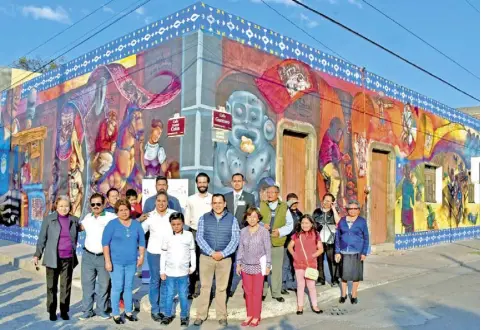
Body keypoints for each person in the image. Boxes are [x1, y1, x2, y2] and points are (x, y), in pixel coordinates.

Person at [193, 194, 240, 327]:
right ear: (211, 204)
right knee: (205, 287)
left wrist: (223, 253)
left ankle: (221, 315)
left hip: (225, 259)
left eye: (220, 202)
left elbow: (235, 239)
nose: (217, 205)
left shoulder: (232, 219)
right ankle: (201, 315)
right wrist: (211, 252)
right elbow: (199, 238)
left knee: (221, 288)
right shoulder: (204, 218)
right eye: (215, 203)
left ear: (225, 204)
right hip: (206, 257)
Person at [33, 195, 80, 321]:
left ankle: (64, 311)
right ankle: (52, 311)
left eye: (66, 206)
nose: (64, 208)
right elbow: (42, 238)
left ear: (70, 207)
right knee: (51, 286)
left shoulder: (74, 220)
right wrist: (37, 254)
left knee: (66, 286)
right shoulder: (49, 219)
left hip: (68, 258)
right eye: (61, 206)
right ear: (56, 206)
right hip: (52, 258)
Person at [102, 199, 146, 324]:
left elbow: (142, 242)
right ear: (117, 212)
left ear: (129, 210)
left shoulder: (136, 225)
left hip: (131, 262)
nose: (124, 212)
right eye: (120, 210)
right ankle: (116, 313)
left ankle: (128, 312)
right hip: (116, 262)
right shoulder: (112, 224)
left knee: (128, 287)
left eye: (126, 209)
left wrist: (141, 256)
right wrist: (107, 261)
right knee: (117, 287)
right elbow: (105, 244)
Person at [79, 193, 117, 320]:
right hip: (88, 256)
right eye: (93, 204)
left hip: (104, 257)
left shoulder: (111, 217)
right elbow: (78, 228)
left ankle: (102, 310)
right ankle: (87, 311)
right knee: (87, 285)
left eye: (98, 204)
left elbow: (124, 223)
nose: (95, 206)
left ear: (104, 204)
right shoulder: (88, 217)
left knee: (104, 285)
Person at [140, 191, 174, 322]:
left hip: (169, 253)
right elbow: (140, 231)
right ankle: (155, 310)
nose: (161, 203)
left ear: (167, 202)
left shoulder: (173, 214)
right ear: (155, 202)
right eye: (159, 201)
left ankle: (164, 308)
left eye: (164, 201)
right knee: (155, 280)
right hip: (154, 253)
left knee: (166, 281)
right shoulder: (150, 216)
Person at [236, 207, 271, 327]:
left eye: (254, 216)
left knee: (257, 292)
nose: (252, 219)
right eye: (249, 216)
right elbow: (241, 248)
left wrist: (268, 265)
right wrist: (238, 263)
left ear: (258, 218)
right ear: (246, 218)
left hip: (258, 267)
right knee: (248, 292)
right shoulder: (243, 231)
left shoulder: (263, 231)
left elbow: (268, 249)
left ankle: (256, 316)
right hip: (245, 266)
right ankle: (249, 315)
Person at [160, 212, 196, 327]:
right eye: (173, 224)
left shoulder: (189, 235)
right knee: (169, 294)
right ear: (170, 224)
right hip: (170, 272)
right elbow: (164, 254)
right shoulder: (167, 236)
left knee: (182, 295)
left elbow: (192, 251)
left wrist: (193, 266)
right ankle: (167, 315)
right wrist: (162, 270)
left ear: (183, 223)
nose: (176, 226)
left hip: (183, 272)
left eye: (178, 224)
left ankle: (184, 316)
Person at [259, 184, 294, 302]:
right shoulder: (261, 205)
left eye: (272, 192)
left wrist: (280, 232)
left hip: (277, 242)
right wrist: (262, 225)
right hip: (262, 242)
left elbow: (290, 224)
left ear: (277, 194)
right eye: (268, 192)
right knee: (262, 267)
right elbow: (253, 220)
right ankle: (261, 292)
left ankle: (276, 292)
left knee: (277, 269)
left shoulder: (284, 207)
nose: (269, 194)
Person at [224, 173, 255, 297]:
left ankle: (246, 288)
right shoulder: (225, 197)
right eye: (234, 181)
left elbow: (252, 215)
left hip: (244, 233)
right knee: (229, 262)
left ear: (243, 183)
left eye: (239, 181)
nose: (237, 183)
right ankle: (229, 287)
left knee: (243, 261)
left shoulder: (249, 197)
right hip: (228, 235)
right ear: (231, 183)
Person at [335, 200, 369, 305]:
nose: (353, 211)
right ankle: (343, 295)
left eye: (355, 209)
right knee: (344, 275)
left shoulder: (362, 221)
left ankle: (354, 295)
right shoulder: (342, 220)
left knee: (356, 275)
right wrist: (337, 251)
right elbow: (337, 237)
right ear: (347, 210)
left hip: (357, 251)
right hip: (344, 251)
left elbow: (366, 238)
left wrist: (364, 252)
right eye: (350, 208)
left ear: (358, 210)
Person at [288, 215, 324, 315]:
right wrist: (294, 255)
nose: (305, 225)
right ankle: (300, 307)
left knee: (311, 286)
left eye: (307, 223)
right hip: (298, 264)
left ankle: (315, 306)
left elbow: (321, 249)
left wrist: (313, 256)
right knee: (300, 285)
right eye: (303, 223)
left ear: (312, 224)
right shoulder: (296, 234)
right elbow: (290, 246)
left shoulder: (316, 234)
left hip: (311, 264)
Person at [184, 172, 212, 298]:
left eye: (204, 182)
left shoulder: (213, 199)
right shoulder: (190, 199)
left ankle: (207, 289)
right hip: (194, 232)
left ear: (208, 183)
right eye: (199, 182)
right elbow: (186, 219)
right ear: (196, 184)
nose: (202, 184)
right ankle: (192, 289)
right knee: (193, 262)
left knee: (207, 263)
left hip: (209, 234)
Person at [313, 193, 341, 286]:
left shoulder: (334, 212)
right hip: (319, 240)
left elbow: (338, 222)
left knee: (332, 261)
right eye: (325, 200)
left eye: (329, 201)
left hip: (331, 240)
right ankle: (321, 279)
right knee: (319, 261)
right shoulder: (317, 212)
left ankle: (334, 279)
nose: (326, 202)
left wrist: (333, 208)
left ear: (332, 202)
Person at [282, 193, 303, 293]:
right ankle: (282, 285)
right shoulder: (284, 213)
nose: (294, 204)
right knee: (285, 264)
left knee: (294, 264)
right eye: (292, 201)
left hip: (297, 243)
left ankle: (292, 284)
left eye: (296, 201)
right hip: (287, 242)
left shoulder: (299, 214)